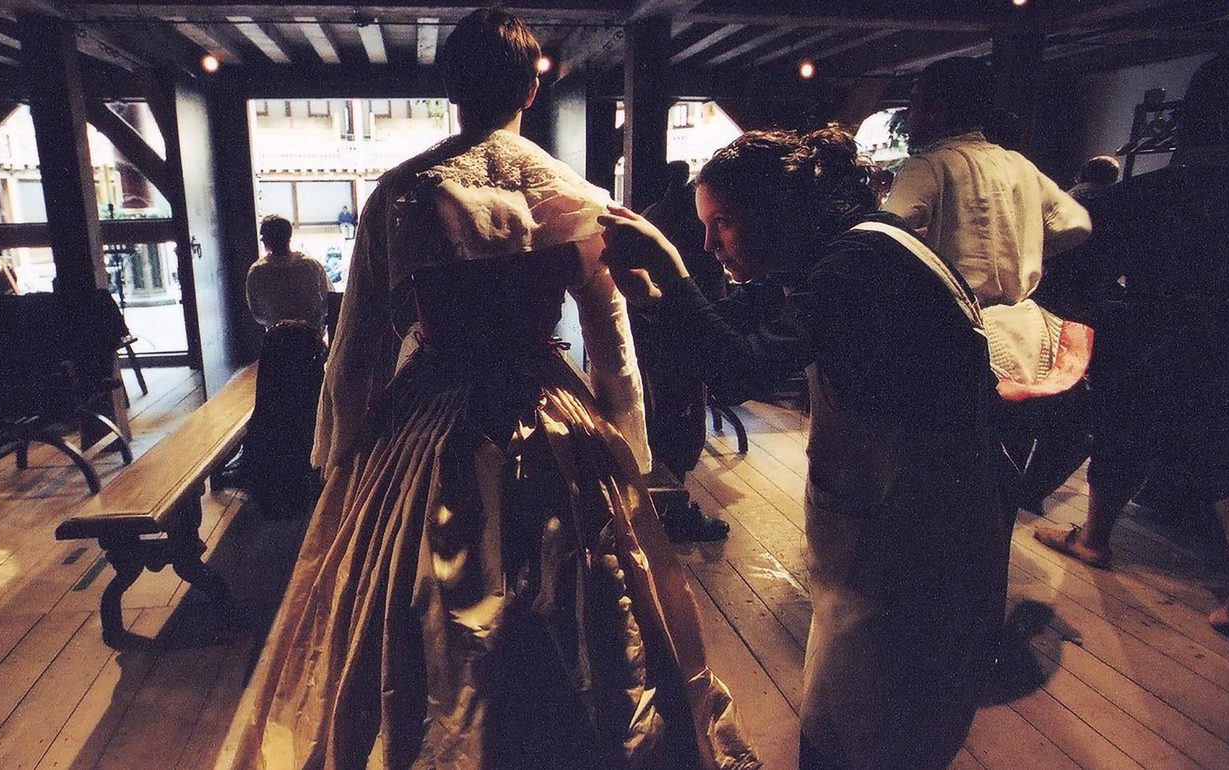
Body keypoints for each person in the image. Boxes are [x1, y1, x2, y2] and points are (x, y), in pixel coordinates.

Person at [219, 10, 757, 770]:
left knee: (406, 599)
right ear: (530, 91)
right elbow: (610, 339)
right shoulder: (575, 196)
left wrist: (338, 452)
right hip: (549, 408)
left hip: (432, 415)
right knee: (588, 590)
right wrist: (627, 447)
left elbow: (359, 343)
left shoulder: (401, 195)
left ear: (450, 88)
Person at [601, 127, 1006, 769]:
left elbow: (740, 369)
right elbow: (739, 330)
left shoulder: (857, 266)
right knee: (877, 711)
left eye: (722, 224)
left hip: (917, 529)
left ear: (775, 212)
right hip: (916, 511)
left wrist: (672, 274)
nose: (710, 245)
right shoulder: (857, 249)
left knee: (868, 719)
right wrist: (656, 300)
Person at [1033, 54, 1229, 632]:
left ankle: (1094, 538)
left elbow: (1066, 272)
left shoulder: (1149, 195)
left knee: (1123, 430)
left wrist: (1109, 314)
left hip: (1157, 333)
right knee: (1227, 451)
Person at [884, 56, 1092, 518]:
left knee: (941, 481)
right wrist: (1026, 250)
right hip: (1024, 336)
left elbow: (886, 232)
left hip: (954, 337)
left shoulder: (928, 165)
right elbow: (1076, 224)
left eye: (915, 103)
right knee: (1000, 476)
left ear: (935, 110)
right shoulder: (1019, 164)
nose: (911, 115)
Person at [635, 160, 729, 542]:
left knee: (660, 422)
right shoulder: (688, 220)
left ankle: (661, 510)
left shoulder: (652, 214)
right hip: (682, 334)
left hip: (650, 330)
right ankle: (672, 514)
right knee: (683, 425)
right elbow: (709, 281)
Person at [245, 214, 333, 336]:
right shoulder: (310, 266)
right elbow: (326, 300)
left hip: (278, 337)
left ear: (267, 240)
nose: (261, 240)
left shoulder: (258, 271)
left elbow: (257, 313)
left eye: (263, 236)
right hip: (310, 337)